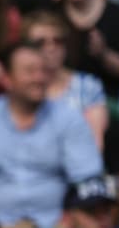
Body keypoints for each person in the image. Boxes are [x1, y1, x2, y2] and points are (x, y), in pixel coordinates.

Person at [0, 41, 103, 228]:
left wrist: (70, 223)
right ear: (7, 78)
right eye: (30, 71)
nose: (38, 78)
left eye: (43, 71)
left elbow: (87, 179)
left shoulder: (68, 118)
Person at [22, 11, 107, 150]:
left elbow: (95, 146)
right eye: (40, 42)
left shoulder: (88, 86)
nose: (51, 48)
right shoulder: (19, 89)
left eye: (58, 41)